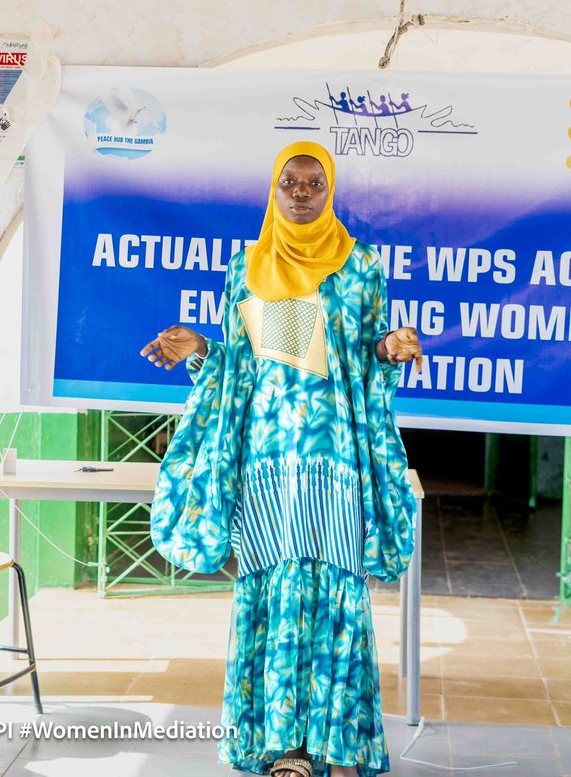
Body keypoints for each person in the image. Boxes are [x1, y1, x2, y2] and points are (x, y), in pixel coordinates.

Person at [141, 141, 422, 777]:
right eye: (289, 182)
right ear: (274, 188)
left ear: (330, 190)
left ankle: (338, 747)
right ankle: (285, 748)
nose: (300, 193)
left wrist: (391, 348)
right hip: (267, 461)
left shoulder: (361, 264)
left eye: (313, 183)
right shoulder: (246, 266)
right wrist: (200, 349)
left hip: (334, 459)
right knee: (272, 591)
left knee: (336, 589)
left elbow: (364, 355)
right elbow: (242, 366)